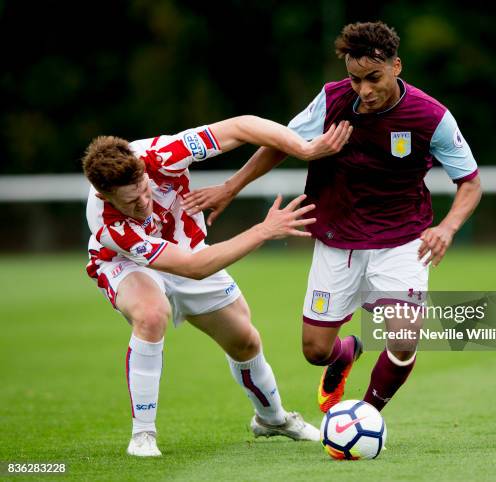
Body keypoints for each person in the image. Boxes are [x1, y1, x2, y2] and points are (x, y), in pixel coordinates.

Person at [183, 21, 482, 414]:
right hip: (337, 240)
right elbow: (281, 143)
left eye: (373, 78)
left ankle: (366, 415)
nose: (364, 90)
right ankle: (346, 355)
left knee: (404, 338)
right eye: (356, 79)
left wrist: (447, 227)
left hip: (402, 242)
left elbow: (471, 183)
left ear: (397, 66)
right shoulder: (332, 100)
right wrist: (230, 187)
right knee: (315, 351)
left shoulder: (431, 117)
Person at [83, 115, 352, 456]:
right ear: (104, 194)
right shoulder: (109, 225)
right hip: (128, 263)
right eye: (131, 202)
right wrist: (263, 231)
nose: (143, 202)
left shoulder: (163, 154)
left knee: (245, 340)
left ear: (142, 170)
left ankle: (272, 419)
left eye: (144, 190)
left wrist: (305, 148)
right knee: (152, 315)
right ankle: (143, 435)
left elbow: (242, 127)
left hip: (185, 247)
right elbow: (195, 269)